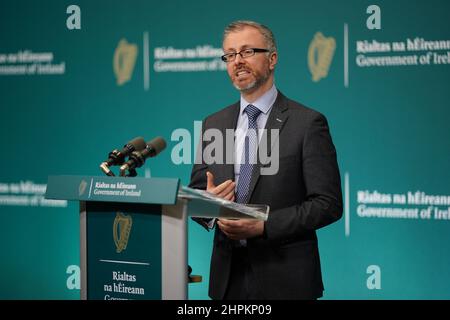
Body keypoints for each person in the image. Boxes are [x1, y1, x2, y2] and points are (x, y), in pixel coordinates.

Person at [189, 20, 342, 300]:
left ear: (272, 59)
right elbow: (198, 195)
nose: (237, 61)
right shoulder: (214, 123)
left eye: (247, 52)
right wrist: (208, 204)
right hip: (227, 280)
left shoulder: (307, 123)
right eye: (230, 55)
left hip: (286, 280)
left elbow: (327, 204)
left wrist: (264, 224)